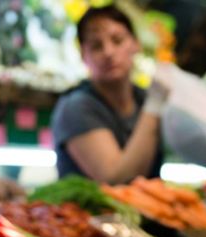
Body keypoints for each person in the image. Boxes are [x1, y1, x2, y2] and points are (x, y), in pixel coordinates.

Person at [51, 5, 171, 183]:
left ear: (135, 44)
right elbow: (115, 179)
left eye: (117, 40)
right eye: (96, 46)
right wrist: (155, 105)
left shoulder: (143, 97)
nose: (108, 52)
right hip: (93, 211)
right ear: (83, 54)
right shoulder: (76, 106)